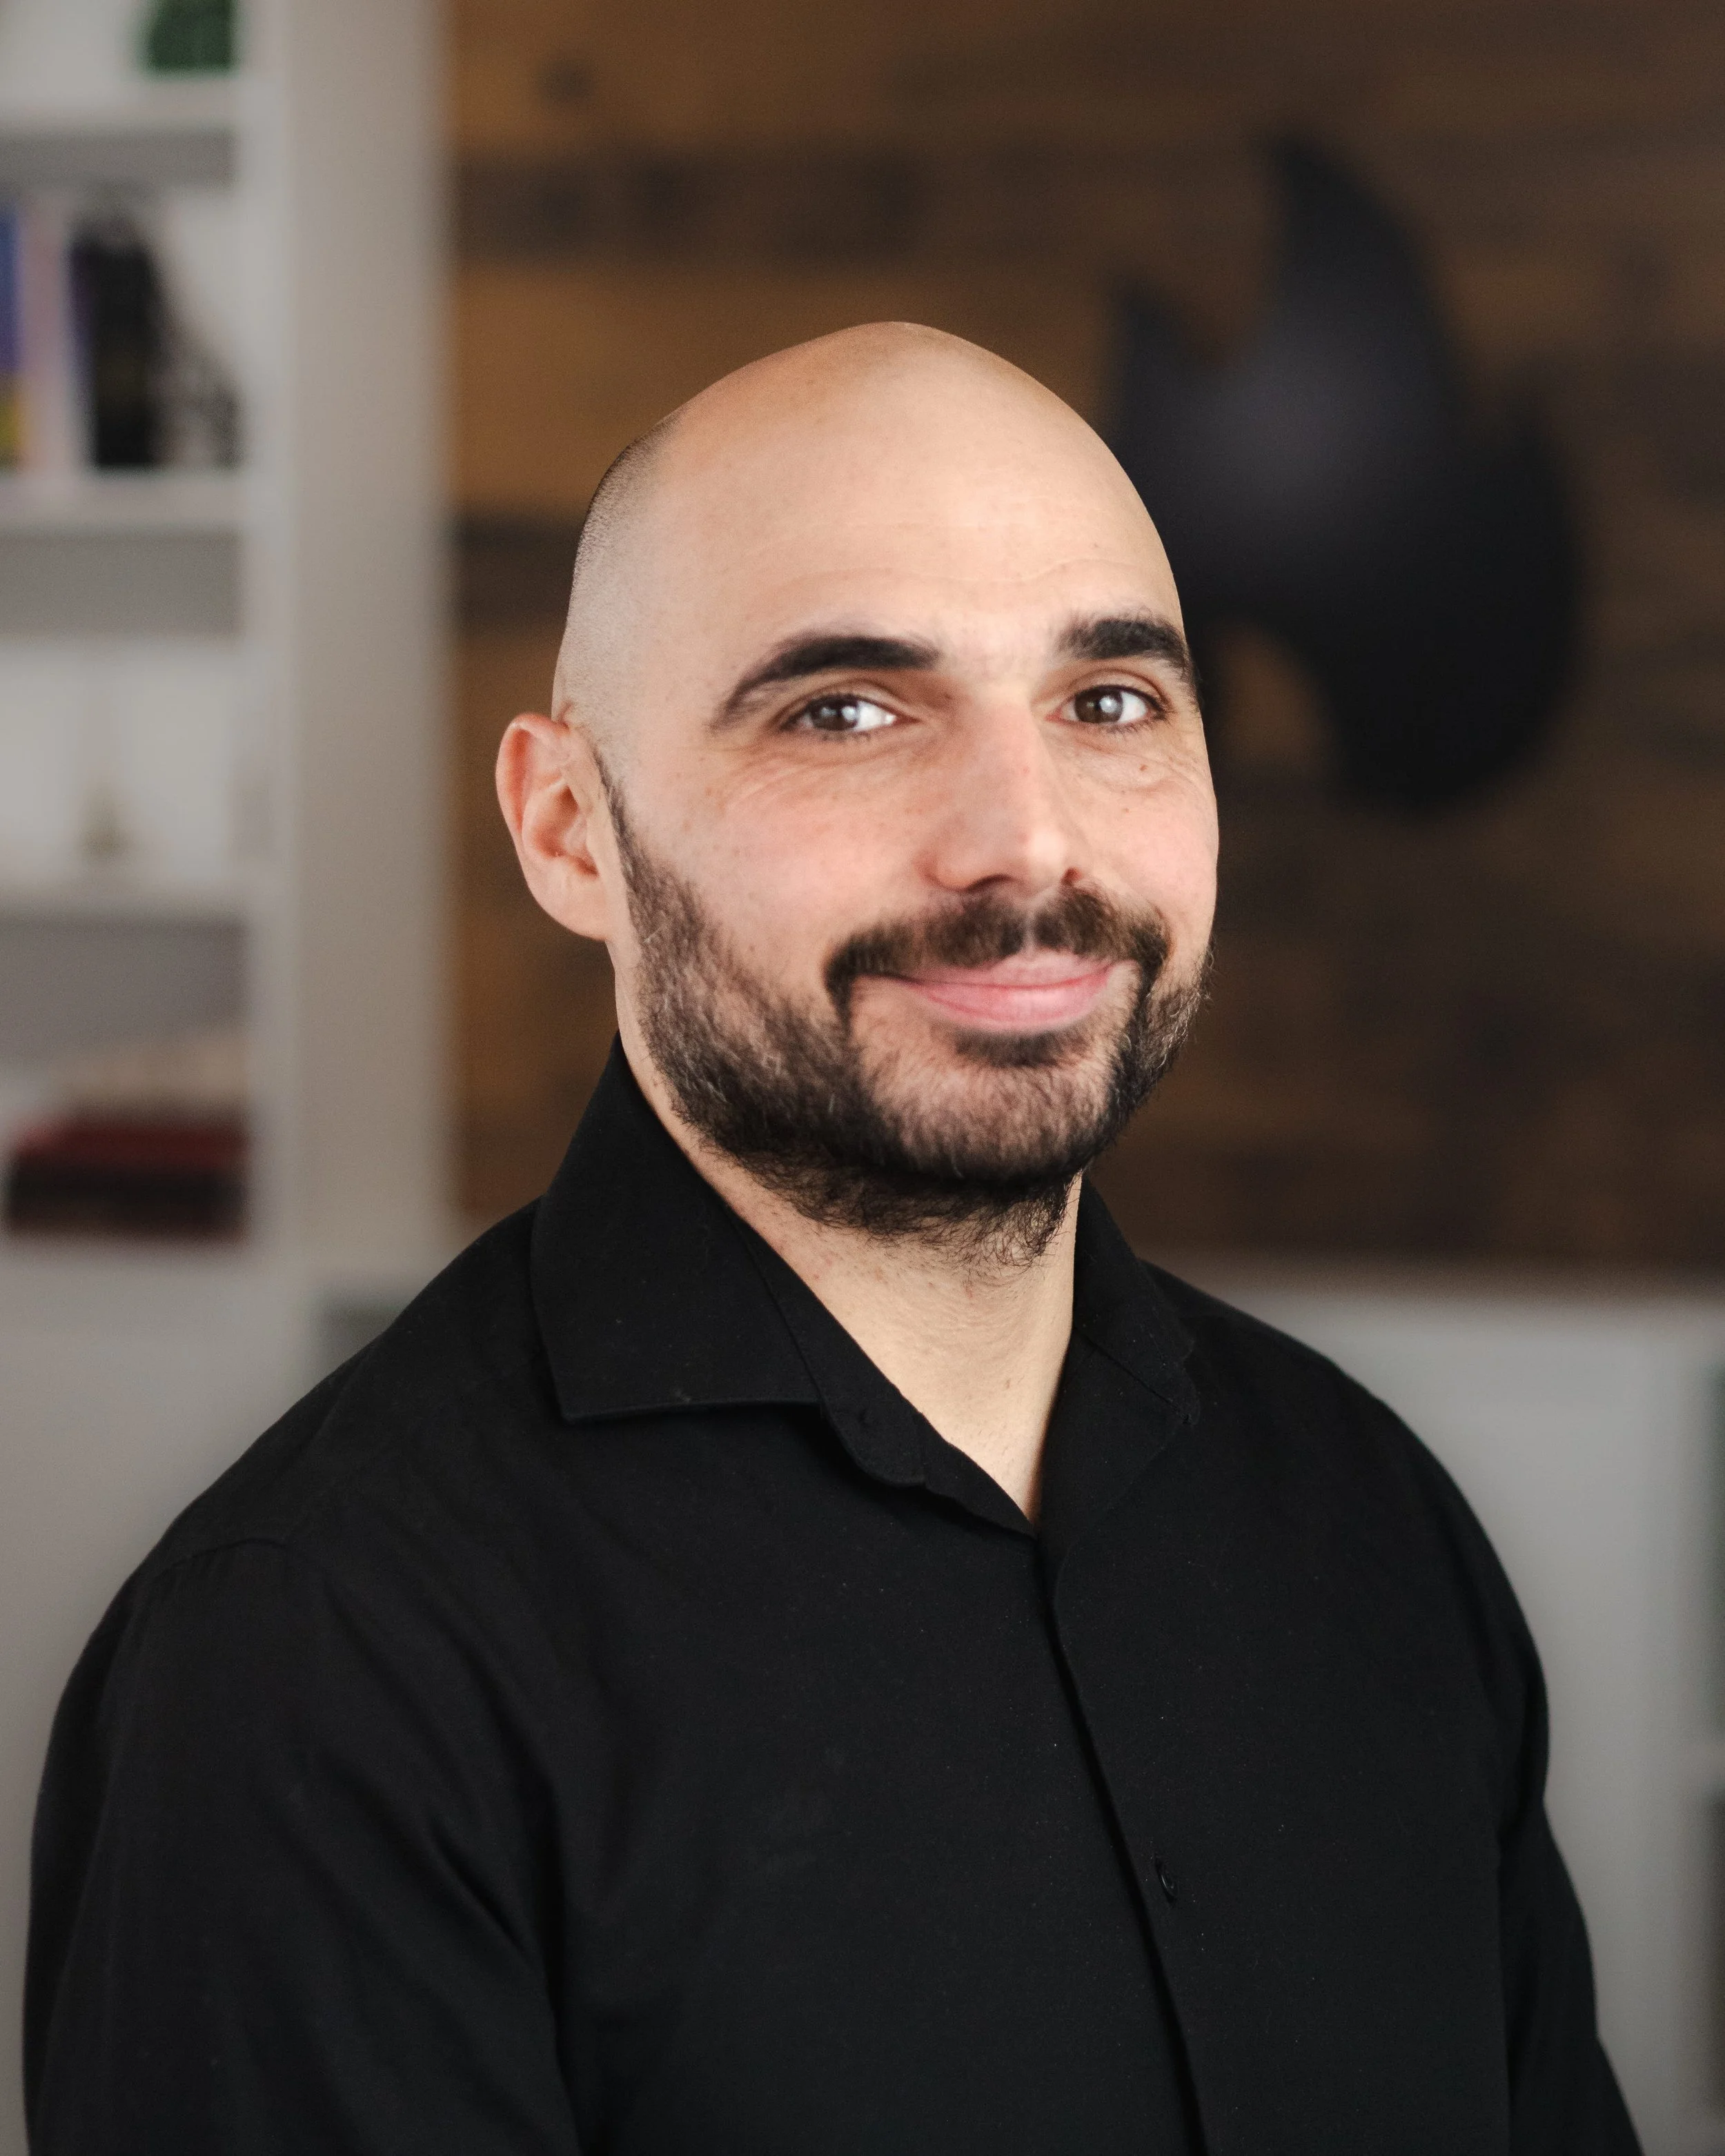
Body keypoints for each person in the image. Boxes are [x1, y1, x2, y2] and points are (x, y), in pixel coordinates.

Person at [26, 324, 1639, 2154]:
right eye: (846, 711)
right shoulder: (322, 1662)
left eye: (1107, 700)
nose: (1022, 843)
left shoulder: (1366, 1518)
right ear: (569, 829)